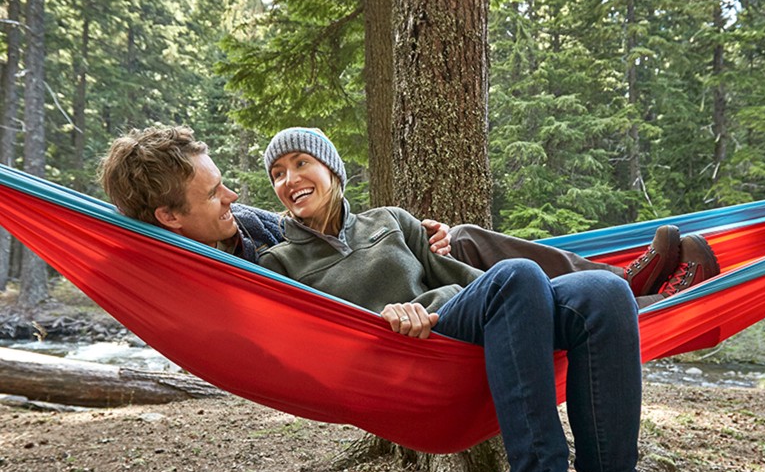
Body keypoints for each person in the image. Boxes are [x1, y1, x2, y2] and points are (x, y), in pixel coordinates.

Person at [256, 127, 739, 472]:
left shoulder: (389, 222)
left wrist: (487, 303)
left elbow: (458, 275)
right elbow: (316, 337)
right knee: (517, 276)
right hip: (400, 350)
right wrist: (380, 320)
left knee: (602, 293)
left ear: (332, 170)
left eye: (300, 164)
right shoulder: (280, 263)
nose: (289, 180)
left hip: (455, 320)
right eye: (277, 174)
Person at [98, 126, 719, 309]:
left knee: (460, 237)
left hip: (409, 279)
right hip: (395, 314)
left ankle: (623, 284)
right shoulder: (202, 261)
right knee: (477, 262)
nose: (234, 197)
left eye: (299, 166)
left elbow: (315, 225)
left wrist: (396, 230)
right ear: (170, 217)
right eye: (216, 193)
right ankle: (621, 294)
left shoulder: (236, 223)